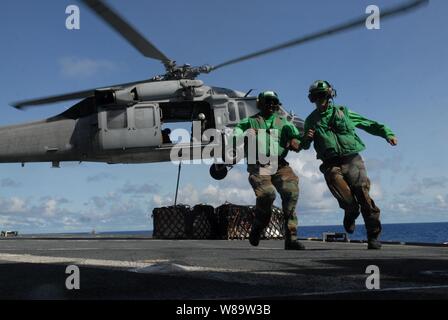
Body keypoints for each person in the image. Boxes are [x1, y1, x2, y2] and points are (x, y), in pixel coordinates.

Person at [300, 80, 398, 249]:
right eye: (317, 96)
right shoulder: (311, 120)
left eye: (323, 95)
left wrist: (386, 133)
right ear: (312, 98)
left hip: (352, 159)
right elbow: (304, 146)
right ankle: (350, 212)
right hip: (331, 164)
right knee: (349, 202)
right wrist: (307, 138)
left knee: (364, 195)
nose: (321, 99)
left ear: (330, 95)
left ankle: (373, 236)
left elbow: (367, 124)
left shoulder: (343, 112)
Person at [232, 91, 305, 250]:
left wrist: (296, 142)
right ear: (260, 104)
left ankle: (291, 238)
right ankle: (258, 225)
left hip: (280, 165)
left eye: (274, 102)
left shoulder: (284, 122)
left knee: (291, 192)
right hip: (259, 166)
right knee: (267, 194)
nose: (271, 105)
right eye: (268, 101)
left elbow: (296, 139)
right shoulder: (250, 122)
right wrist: (237, 136)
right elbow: (236, 132)